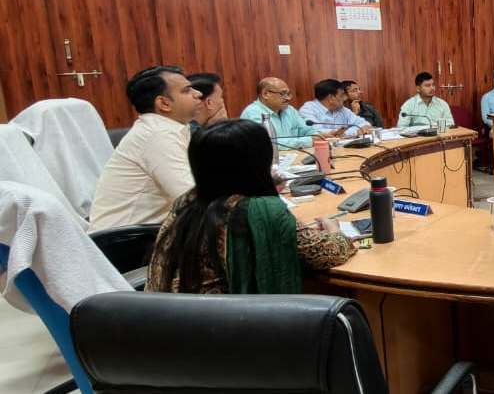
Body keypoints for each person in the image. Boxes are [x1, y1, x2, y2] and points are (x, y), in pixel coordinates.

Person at [145, 119, 356, 294]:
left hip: (161, 319)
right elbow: (330, 253)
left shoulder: (186, 201)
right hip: (228, 324)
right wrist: (335, 231)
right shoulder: (259, 213)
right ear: (259, 161)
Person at [90, 66, 200, 231]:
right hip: (127, 239)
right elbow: (191, 198)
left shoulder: (169, 128)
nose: (198, 93)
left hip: (147, 232)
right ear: (164, 103)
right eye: (187, 90)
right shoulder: (157, 134)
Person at [240, 77, 319, 149]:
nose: (288, 98)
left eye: (288, 94)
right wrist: (309, 141)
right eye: (283, 93)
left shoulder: (289, 110)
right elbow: (268, 143)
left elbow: (308, 130)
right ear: (265, 94)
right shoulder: (253, 113)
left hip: (294, 156)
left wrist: (317, 136)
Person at [299, 79, 372, 137]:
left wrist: (345, 133)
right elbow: (315, 133)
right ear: (331, 98)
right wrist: (353, 132)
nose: (345, 98)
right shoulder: (308, 109)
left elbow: (365, 123)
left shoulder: (342, 109)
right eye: (342, 95)